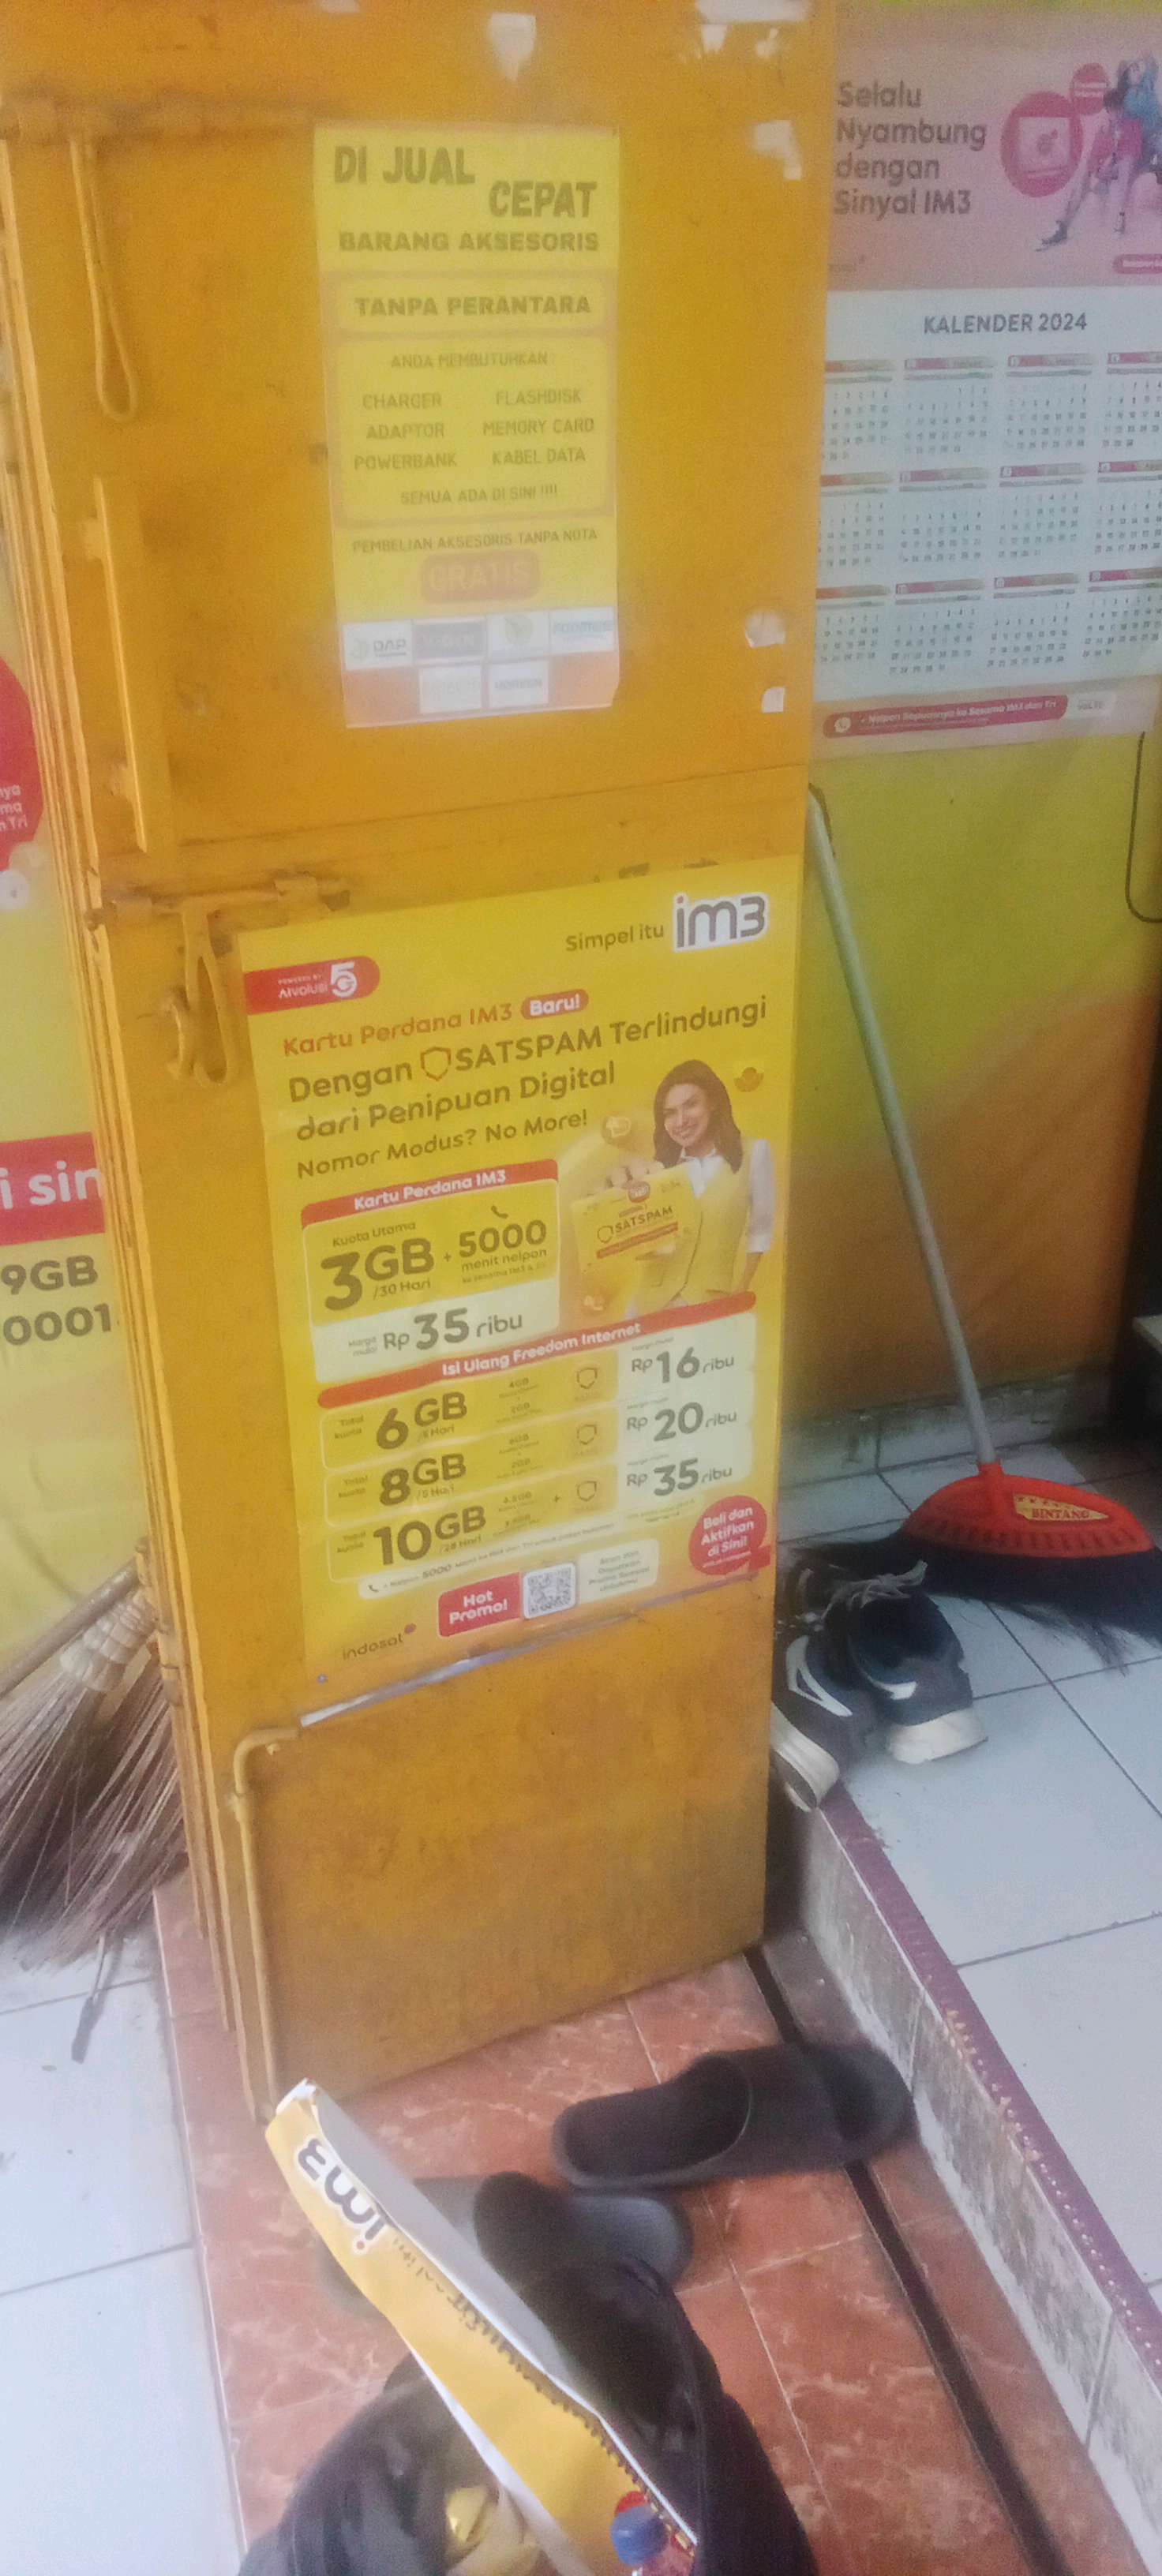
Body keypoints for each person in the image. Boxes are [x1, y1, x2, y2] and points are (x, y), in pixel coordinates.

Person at [650, 1058, 774, 1301]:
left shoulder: (753, 1153)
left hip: (714, 1300)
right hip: (651, 1304)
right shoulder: (661, 1168)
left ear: (713, 1103)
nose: (681, 1121)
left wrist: (742, 1287)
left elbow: (761, 1229)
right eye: (670, 1113)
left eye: (691, 1105)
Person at [1040, 73, 1140, 246]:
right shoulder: (1104, 129)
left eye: (1118, 109)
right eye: (1111, 110)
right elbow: (1093, 156)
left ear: (1122, 108)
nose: (1115, 113)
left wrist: (1117, 144)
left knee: (1125, 165)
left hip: (1122, 168)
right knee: (1082, 175)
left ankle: (1120, 217)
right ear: (1107, 110)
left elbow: (1133, 155)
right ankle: (1062, 226)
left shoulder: (1132, 126)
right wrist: (1098, 170)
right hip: (1105, 170)